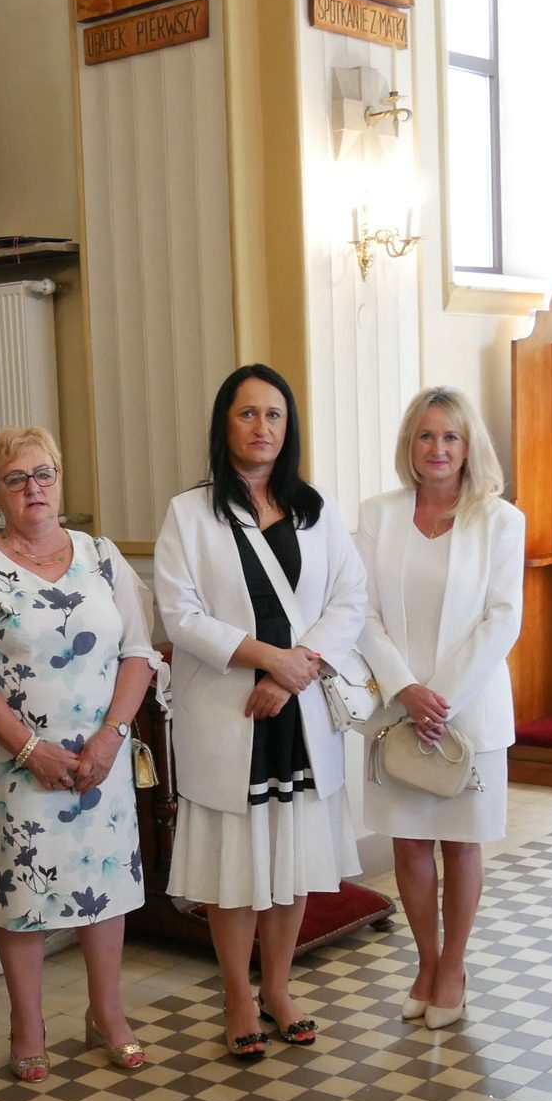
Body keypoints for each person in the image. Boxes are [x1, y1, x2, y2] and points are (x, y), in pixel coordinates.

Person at [152, 363, 367, 1061]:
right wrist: (268, 659)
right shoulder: (190, 514)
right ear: (225, 424)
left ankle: (277, 987)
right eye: (247, 413)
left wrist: (294, 668)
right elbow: (181, 615)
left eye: (274, 415)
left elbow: (350, 599)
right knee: (235, 865)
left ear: (288, 426)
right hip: (230, 712)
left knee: (293, 857)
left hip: (297, 711)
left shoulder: (315, 509)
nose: (261, 427)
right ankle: (237, 996)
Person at [0, 427, 158, 1080]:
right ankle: (28, 1024)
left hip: (101, 759)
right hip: (14, 765)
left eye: (44, 474)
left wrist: (112, 735)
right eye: (16, 479)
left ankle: (108, 1013)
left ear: (60, 481)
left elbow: (138, 652)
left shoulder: (102, 556)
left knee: (103, 885)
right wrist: (31, 749)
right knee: (22, 891)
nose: (33, 488)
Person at [355, 387, 522, 1031]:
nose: (438, 448)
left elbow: (502, 619)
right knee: (408, 844)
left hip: (469, 710)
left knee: (461, 843)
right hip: (398, 709)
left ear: (469, 445)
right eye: (426, 435)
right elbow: (361, 612)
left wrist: (442, 695)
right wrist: (405, 689)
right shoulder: (379, 514)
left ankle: (454, 966)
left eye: (451, 436)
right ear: (411, 444)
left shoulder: (499, 521)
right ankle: (425, 963)